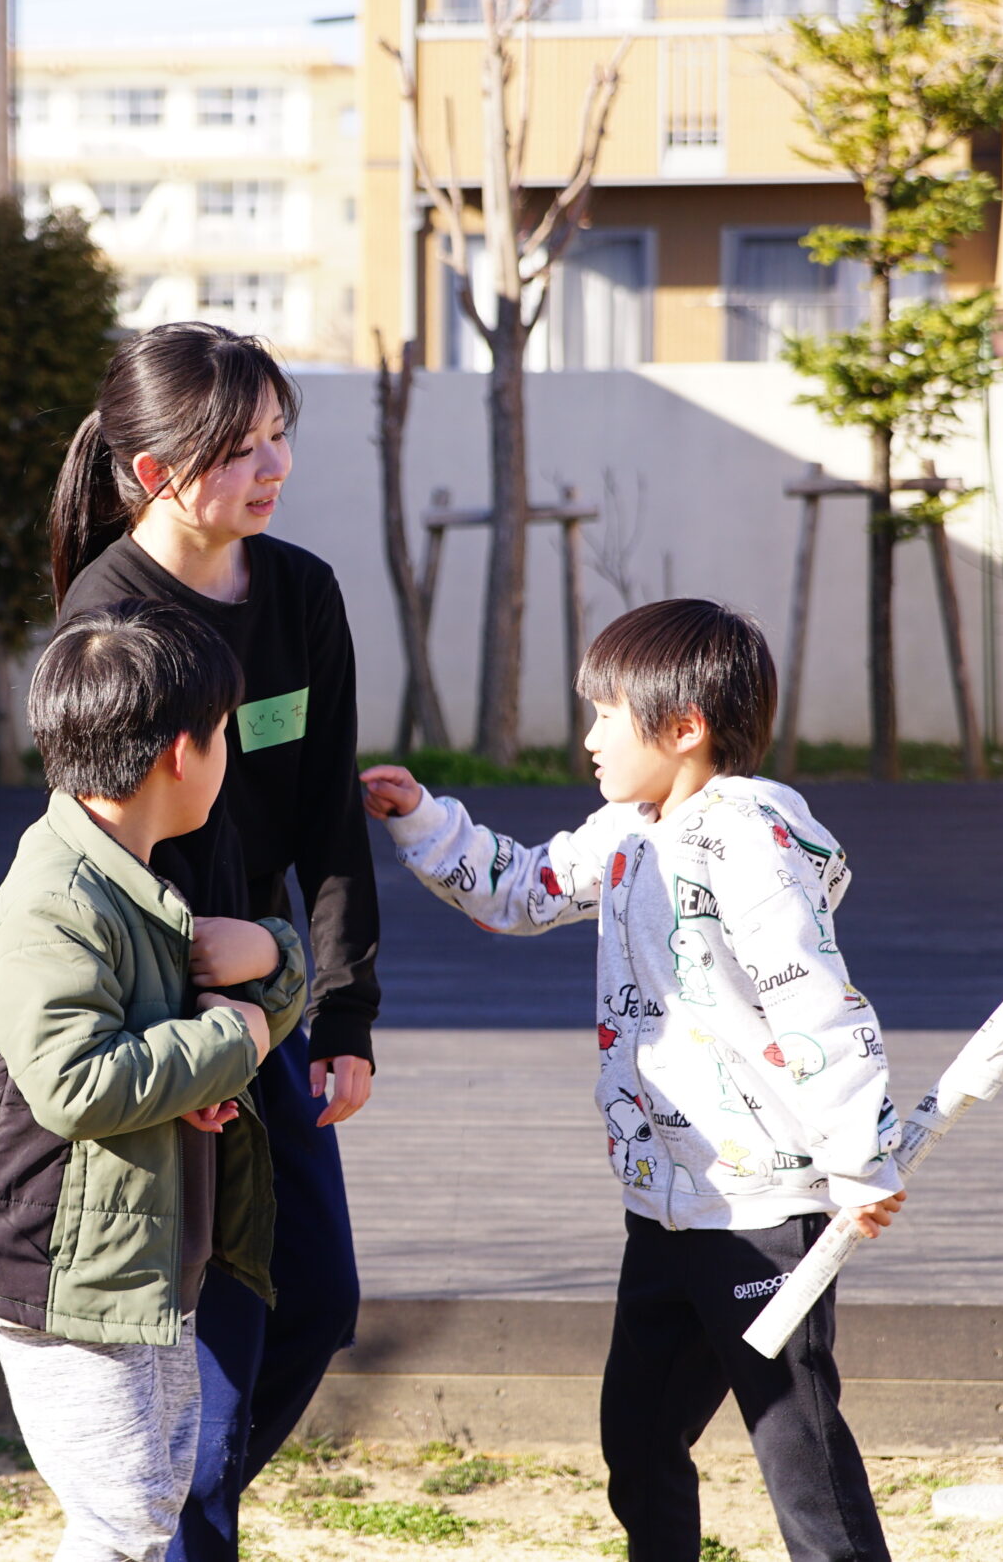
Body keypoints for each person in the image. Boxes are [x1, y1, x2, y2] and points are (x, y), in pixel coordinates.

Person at [360, 599, 908, 1562]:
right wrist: (424, 822)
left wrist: (861, 1156)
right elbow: (524, 889)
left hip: (762, 1209)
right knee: (640, 1439)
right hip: (663, 1206)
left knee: (798, 1445)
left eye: (607, 714)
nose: (589, 737)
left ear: (685, 725)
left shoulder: (750, 840)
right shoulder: (628, 829)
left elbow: (815, 1000)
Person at [50, 322, 375, 1562]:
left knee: (317, 1296)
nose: (273, 466)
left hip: (271, 996)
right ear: (153, 472)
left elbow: (330, 812)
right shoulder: (108, 615)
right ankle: (183, 1526)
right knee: (224, 1318)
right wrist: (197, 1007)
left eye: (278, 435)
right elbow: (103, 852)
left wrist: (341, 1008)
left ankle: (183, 1511)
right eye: (239, 449)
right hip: (161, 1016)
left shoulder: (301, 593)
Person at [0, 600, 308, 1562]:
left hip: (125, 1250)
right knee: (123, 1514)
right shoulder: (58, 902)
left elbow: (171, 1036)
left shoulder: (124, 876)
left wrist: (262, 977)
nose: (229, 754)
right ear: (180, 754)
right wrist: (232, 1038)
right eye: (223, 734)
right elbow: (77, 1081)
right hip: (55, 1265)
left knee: (149, 1493)